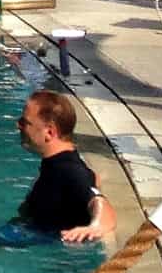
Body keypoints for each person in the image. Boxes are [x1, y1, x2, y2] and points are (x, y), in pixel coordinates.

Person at [15, 90, 118, 244]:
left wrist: (96, 227)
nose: (18, 126)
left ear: (49, 132)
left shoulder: (69, 170)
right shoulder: (60, 165)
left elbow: (100, 203)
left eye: (24, 123)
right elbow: (90, 179)